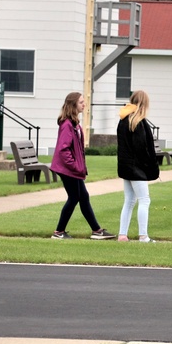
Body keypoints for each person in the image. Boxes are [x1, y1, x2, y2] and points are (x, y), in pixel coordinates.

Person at [49, 92, 116, 240]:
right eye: (81, 102)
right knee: (74, 198)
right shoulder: (67, 125)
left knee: (83, 196)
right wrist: (75, 166)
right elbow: (63, 149)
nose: (84, 104)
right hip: (67, 169)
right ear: (73, 105)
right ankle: (59, 232)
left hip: (73, 169)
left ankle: (96, 231)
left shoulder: (75, 124)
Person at [116, 90, 160, 243]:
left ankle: (122, 234)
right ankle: (143, 236)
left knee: (129, 201)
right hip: (137, 168)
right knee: (144, 200)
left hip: (126, 166)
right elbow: (142, 149)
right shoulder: (139, 122)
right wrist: (150, 166)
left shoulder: (123, 120)